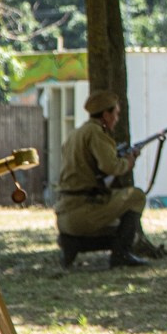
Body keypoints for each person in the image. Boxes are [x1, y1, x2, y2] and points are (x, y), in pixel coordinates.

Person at [55, 91, 150, 269]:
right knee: (136, 196)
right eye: (115, 114)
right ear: (106, 115)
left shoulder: (77, 133)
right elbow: (110, 166)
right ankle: (122, 255)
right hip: (83, 210)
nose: (117, 119)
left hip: (66, 212)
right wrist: (128, 162)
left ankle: (71, 244)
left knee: (116, 224)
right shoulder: (96, 133)